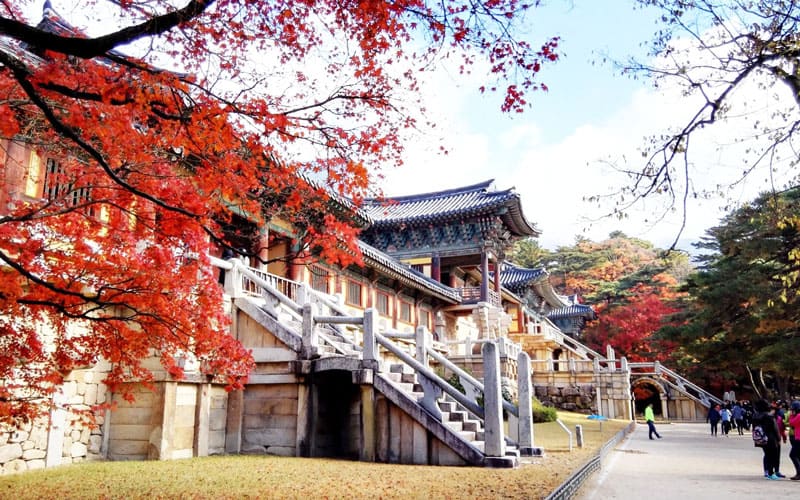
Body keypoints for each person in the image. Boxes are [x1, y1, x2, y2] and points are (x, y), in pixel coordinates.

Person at [752, 399, 782, 480]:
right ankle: (771, 473)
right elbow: (775, 428)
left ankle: (767, 472)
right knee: (773, 456)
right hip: (771, 438)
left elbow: (754, 428)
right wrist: (779, 438)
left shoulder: (755, 416)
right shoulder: (769, 416)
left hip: (761, 438)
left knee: (767, 455)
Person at [788, 400, 800, 481]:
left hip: (799, 439)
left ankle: (799, 472)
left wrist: (792, 415)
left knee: (793, 455)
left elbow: (792, 423)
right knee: (798, 456)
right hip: (797, 437)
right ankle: (798, 473)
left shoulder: (798, 415)